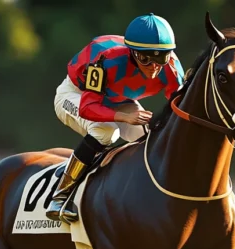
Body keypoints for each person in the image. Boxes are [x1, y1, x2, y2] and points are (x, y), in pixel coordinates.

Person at [47, 13, 186, 222]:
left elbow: (179, 110)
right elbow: (87, 107)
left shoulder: (172, 68)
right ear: (132, 53)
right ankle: (60, 195)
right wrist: (122, 116)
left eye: (161, 58)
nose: (154, 66)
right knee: (106, 132)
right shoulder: (106, 59)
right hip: (76, 95)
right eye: (146, 59)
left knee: (151, 138)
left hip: (117, 99)